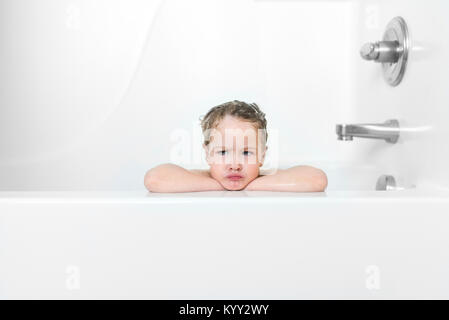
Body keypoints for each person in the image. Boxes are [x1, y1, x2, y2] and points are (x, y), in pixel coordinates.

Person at [144, 100, 327, 192]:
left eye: (246, 152)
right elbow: (155, 179)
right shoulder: (203, 177)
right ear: (207, 154)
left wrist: (252, 186)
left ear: (262, 155)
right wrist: (218, 185)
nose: (234, 164)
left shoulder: (262, 178)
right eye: (223, 152)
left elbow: (317, 180)